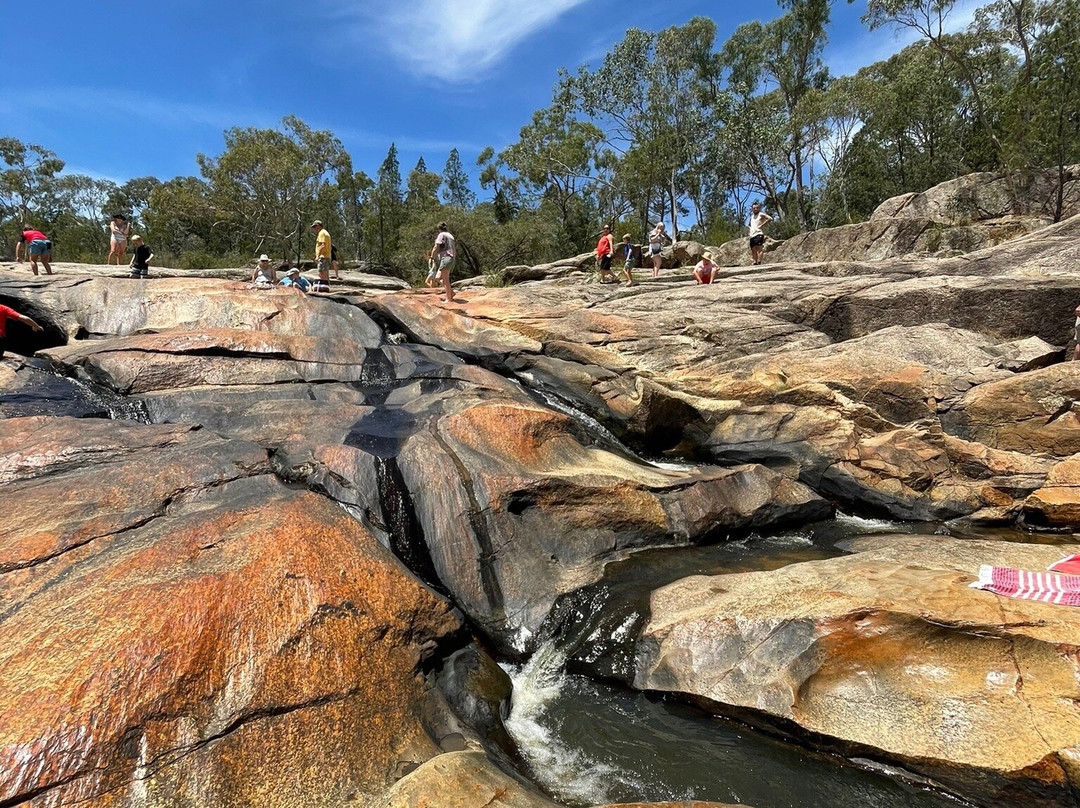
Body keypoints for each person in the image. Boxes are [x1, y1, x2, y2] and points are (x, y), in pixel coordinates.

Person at [429, 221, 456, 303]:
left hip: (445, 258)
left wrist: (432, 257)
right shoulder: (450, 236)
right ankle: (451, 292)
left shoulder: (441, 235)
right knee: (437, 278)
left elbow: (436, 247)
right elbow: (454, 248)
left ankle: (448, 299)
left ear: (439, 229)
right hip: (450, 258)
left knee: (445, 279)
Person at [310, 220, 332, 292]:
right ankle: (326, 287)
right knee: (325, 273)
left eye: (315, 226)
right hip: (326, 256)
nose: (314, 228)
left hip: (323, 256)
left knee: (321, 273)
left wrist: (317, 256)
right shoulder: (325, 232)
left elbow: (322, 245)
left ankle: (324, 289)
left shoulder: (322, 233)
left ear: (319, 226)